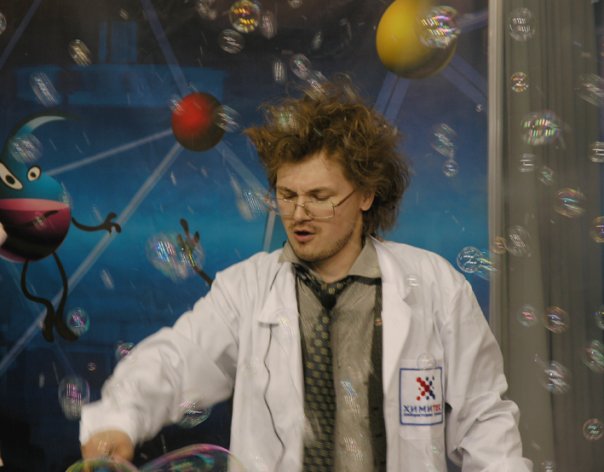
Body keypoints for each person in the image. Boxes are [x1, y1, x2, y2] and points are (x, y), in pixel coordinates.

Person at [80, 77, 533, 471]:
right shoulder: (246, 289)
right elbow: (176, 359)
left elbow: (483, 420)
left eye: (319, 196)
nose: (299, 214)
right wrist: (117, 420)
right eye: (287, 194)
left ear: (366, 195)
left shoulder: (435, 285)